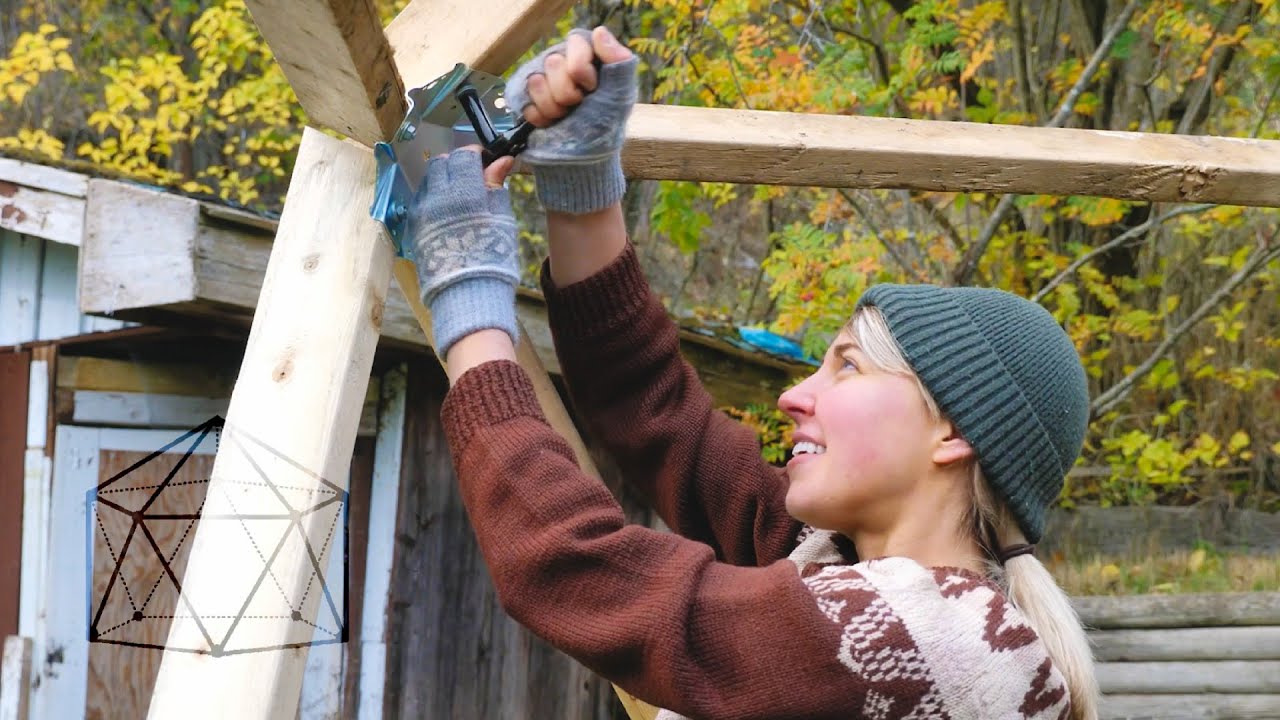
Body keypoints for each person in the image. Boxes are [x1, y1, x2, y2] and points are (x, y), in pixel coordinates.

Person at [408, 25, 1100, 720]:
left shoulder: (926, 644)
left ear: (953, 432)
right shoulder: (840, 571)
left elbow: (581, 573)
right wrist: (581, 181)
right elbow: (656, 411)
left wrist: (466, 288)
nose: (794, 395)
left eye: (849, 366)